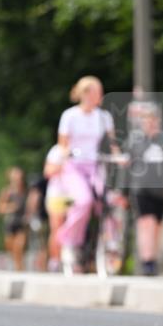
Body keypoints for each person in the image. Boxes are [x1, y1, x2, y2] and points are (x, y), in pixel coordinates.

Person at [56, 76, 119, 274]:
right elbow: (63, 144)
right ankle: (69, 241)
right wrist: (66, 153)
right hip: (75, 166)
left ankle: (111, 243)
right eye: (96, 92)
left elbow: (112, 143)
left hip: (95, 165)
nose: (99, 96)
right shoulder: (70, 116)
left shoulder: (103, 117)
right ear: (85, 94)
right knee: (83, 201)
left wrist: (119, 156)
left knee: (107, 201)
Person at [123, 103, 163, 275]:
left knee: (157, 225)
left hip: (161, 190)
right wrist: (122, 192)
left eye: (153, 120)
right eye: (147, 120)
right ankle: (147, 260)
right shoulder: (135, 141)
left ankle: (153, 260)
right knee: (146, 223)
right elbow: (126, 167)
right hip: (141, 188)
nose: (151, 124)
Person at [43, 143, 70, 272]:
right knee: (57, 228)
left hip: (73, 194)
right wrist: (66, 165)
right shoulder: (57, 150)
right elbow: (48, 171)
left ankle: (69, 258)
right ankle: (55, 260)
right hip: (57, 194)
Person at [0, 167, 28, 271]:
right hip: (10, 223)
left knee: (19, 247)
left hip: (21, 223)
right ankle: (17, 266)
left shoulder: (24, 191)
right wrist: (10, 207)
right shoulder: (7, 192)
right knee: (11, 248)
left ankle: (20, 268)